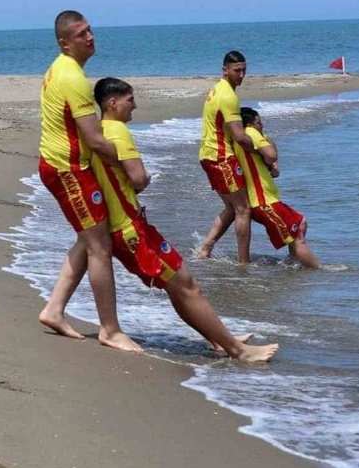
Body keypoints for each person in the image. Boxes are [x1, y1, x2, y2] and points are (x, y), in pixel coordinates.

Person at [90, 78, 279, 362]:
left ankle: (219, 340)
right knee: (186, 285)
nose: (135, 106)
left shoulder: (100, 131)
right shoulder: (118, 132)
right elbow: (138, 178)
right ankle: (238, 351)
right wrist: (144, 179)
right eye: (130, 100)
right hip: (130, 230)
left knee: (179, 286)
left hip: (127, 226)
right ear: (112, 103)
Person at [35, 10, 141, 352]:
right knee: (100, 247)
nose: (90, 37)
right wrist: (129, 172)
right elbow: (95, 140)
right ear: (65, 44)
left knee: (88, 238)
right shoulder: (73, 80)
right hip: (67, 170)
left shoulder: (61, 68)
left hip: (63, 165)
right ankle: (110, 330)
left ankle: (54, 309)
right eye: (81, 34)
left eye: (90, 30)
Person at [236, 107, 322, 269]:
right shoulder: (252, 133)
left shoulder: (247, 137)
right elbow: (271, 154)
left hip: (266, 198)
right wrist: (271, 156)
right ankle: (320, 270)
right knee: (297, 237)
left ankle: (293, 261)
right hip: (263, 201)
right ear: (250, 123)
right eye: (259, 122)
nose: (262, 125)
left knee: (301, 222)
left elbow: (271, 158)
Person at [196, 50, 255, 263]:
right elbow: (239, 136)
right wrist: (261, 153)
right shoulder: (228, 96)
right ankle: (243, 262)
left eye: (244, 70)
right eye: (237, 70)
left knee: (232, 207)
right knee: (243, 208)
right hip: (220, 158)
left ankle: (205, 248)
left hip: (208, 155)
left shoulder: (217, 88)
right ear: (225, 70)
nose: (241, 75)